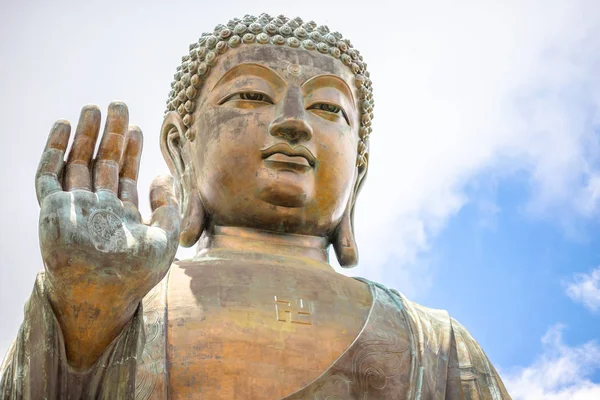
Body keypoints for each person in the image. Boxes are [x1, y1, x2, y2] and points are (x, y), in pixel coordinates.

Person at [0, 13, 511, 399]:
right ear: (181, 145)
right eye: (250, 96)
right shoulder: (128, 306)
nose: (295, 122)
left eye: (328, 107)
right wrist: (81, 315)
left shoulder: (437, 345)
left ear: (360, 166)